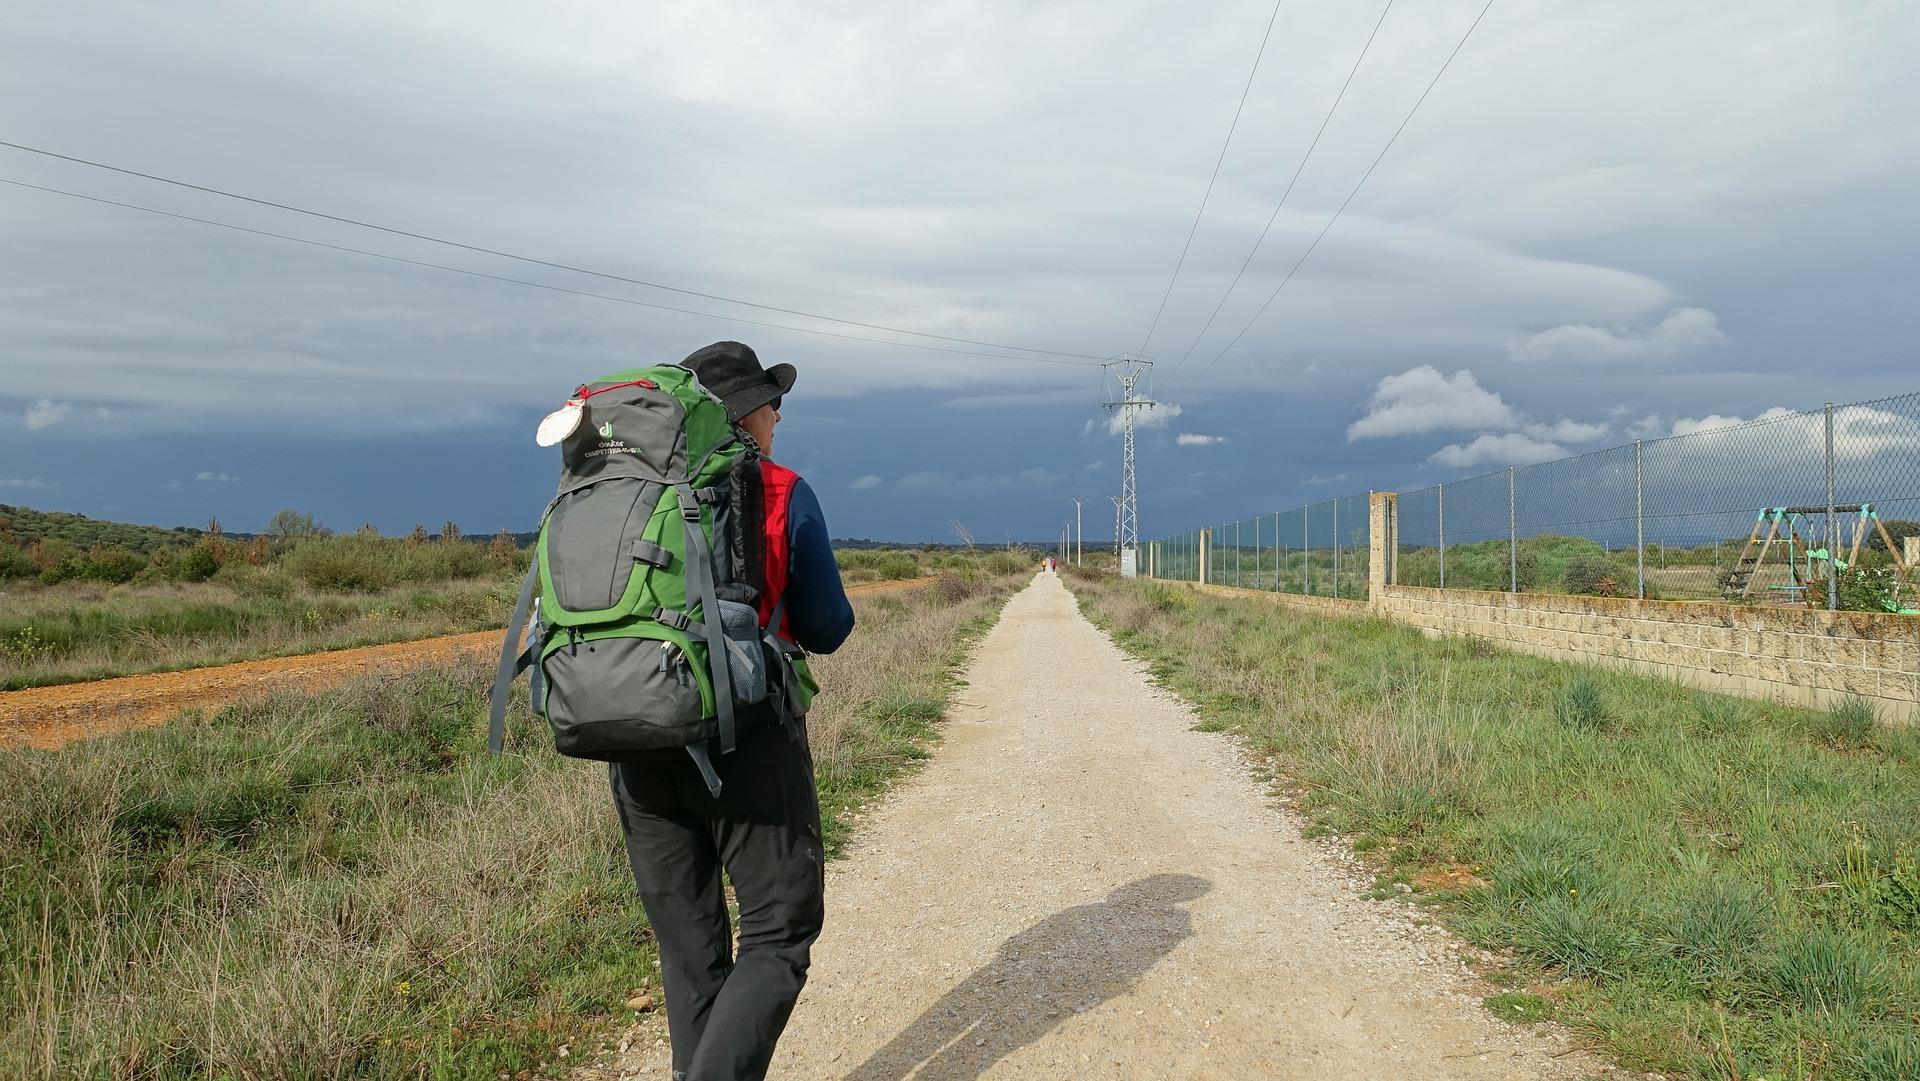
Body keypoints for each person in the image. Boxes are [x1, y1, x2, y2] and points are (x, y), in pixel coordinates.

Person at [608, 341, 855, 1081]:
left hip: (635, 730)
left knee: (691, 956)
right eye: (773, 400)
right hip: (747, 734)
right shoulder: (778, 488)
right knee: (779, 931)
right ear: (748, 413)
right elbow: (827, 626)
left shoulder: (625, 494)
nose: (779, 412)